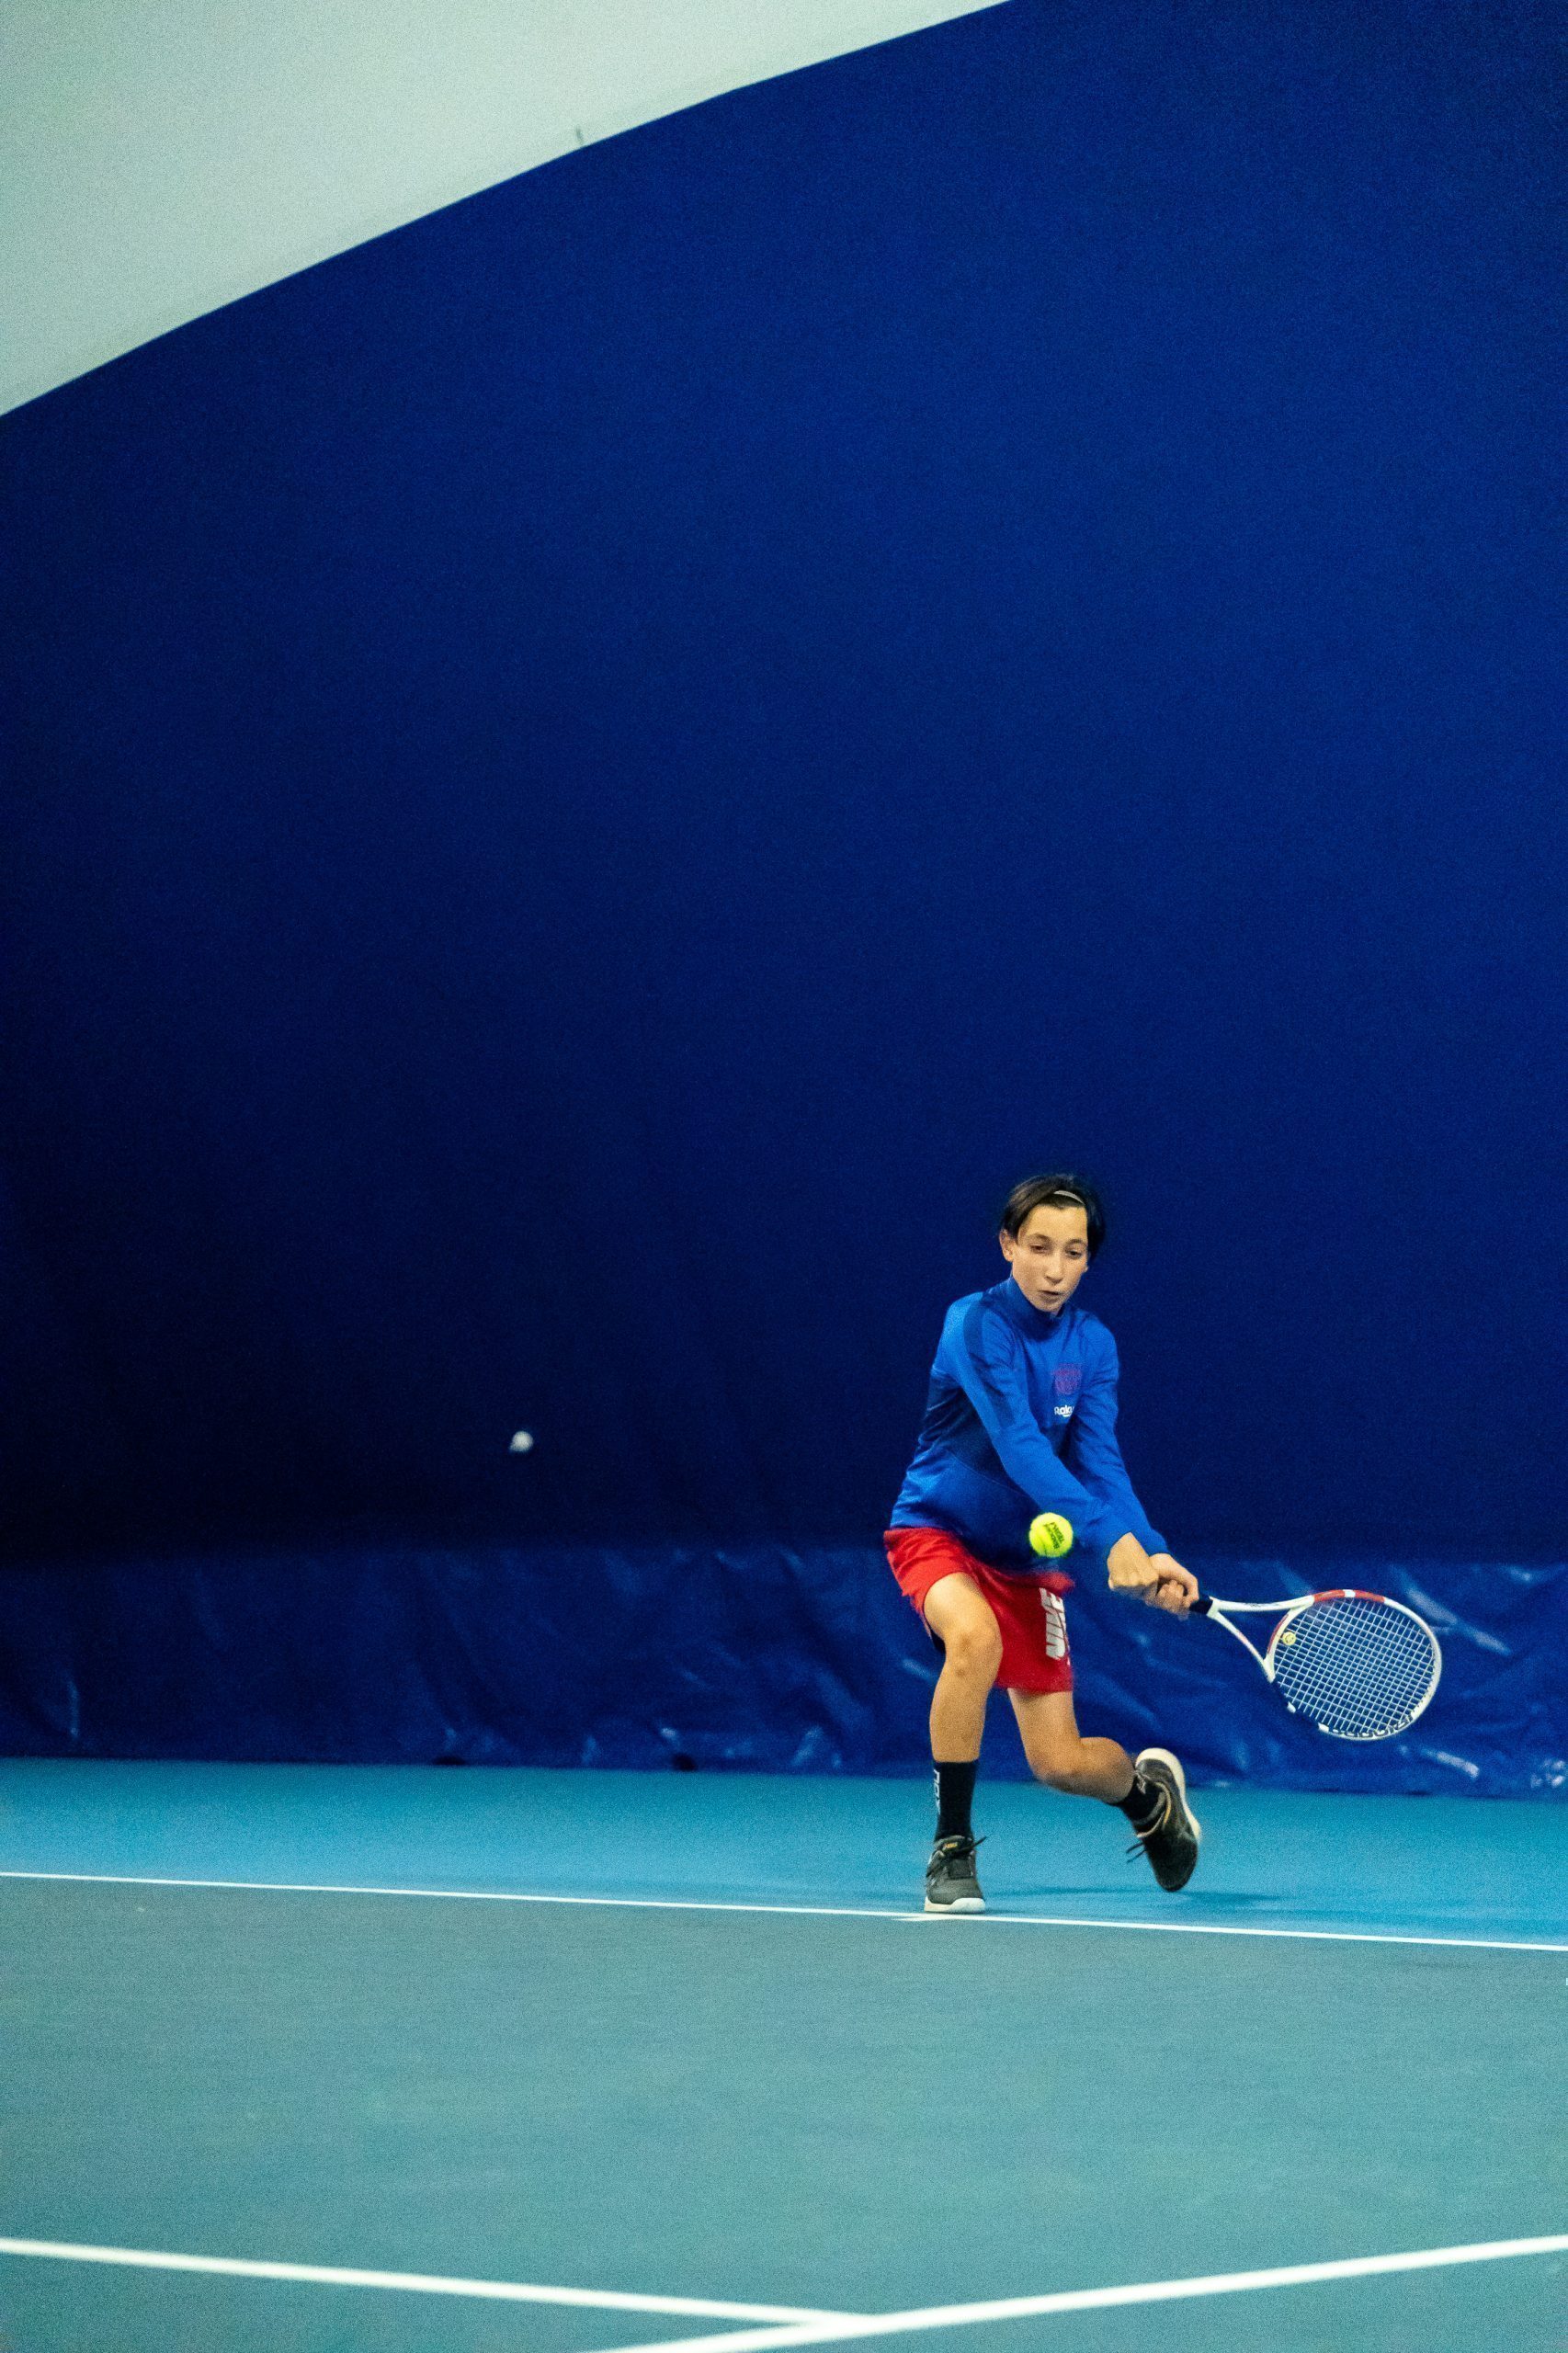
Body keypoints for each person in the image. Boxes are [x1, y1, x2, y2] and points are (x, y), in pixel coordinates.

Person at [885, 1172, 1202, 1913]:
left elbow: (1099, 1461)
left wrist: (1148, 1547)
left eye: (1073, 1252)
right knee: (974, 1637)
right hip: (936, 1530)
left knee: (1060, 1763)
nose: (1055, 1269)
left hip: (1026, 1563)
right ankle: (952, 1848)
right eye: (1038, 1246)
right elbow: (1021, 1445)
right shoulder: (974, 1324)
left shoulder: (1093, 1345)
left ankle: (1148, 1799)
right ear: (1008, 1245)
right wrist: (1106, 1538)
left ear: (1089, 1259)